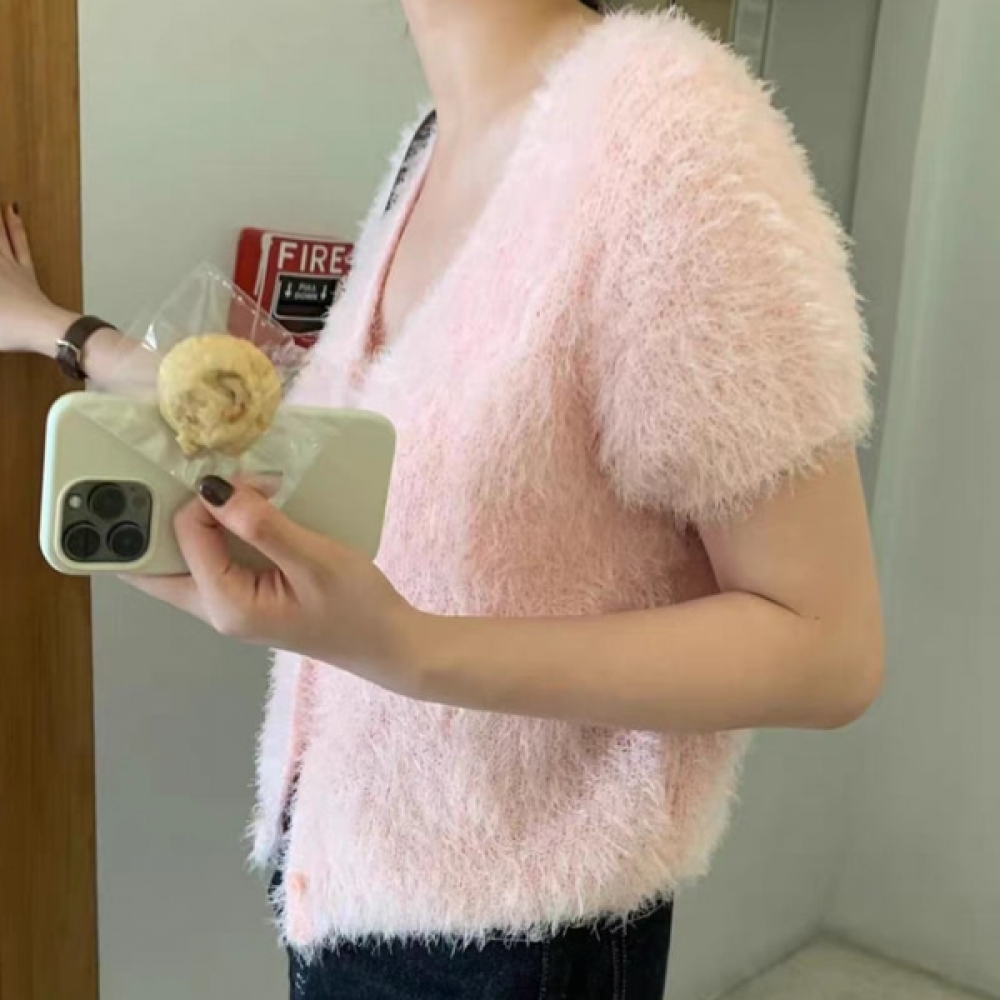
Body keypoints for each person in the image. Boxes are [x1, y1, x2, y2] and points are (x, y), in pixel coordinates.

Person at [0, 1, 884, 997]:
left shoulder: (668, 136)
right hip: (341, 890)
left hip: (518, 938)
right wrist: (63, 332)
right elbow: (355, 440)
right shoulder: (429, 145)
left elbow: (827, 648)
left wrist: (407, 649)